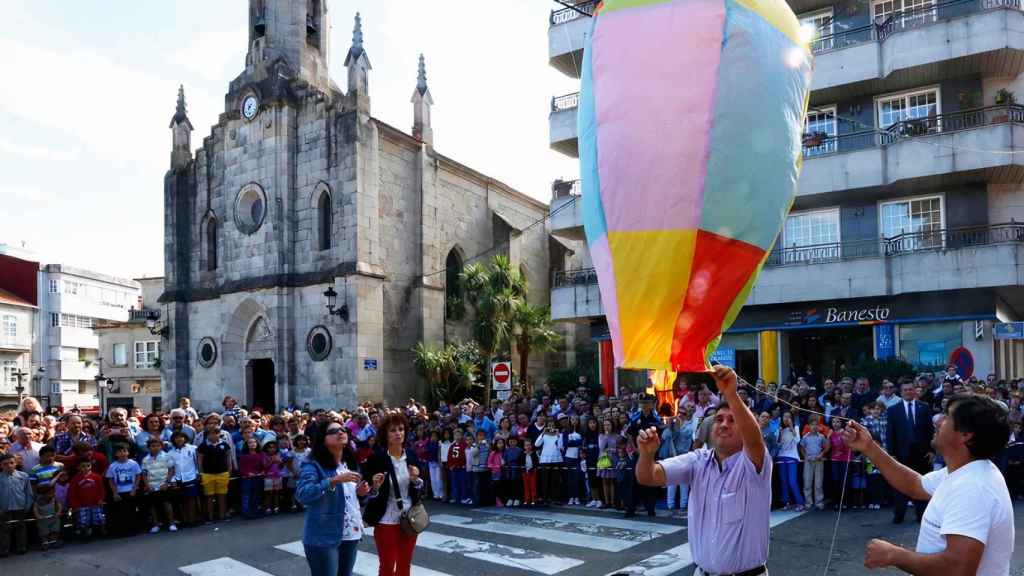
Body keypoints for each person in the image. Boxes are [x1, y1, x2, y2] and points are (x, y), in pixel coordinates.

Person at [844, 395, 1013, 575]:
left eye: (947, 416)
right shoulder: (965, 472)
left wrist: (894, 555)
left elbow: (958, 569)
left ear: (966, 435)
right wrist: (869, 447)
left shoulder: (973, 487)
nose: (937, 421)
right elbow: (915, 484)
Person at [636, 365, 772, 576]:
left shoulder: (754, 464)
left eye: (732, 420)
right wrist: (646, 455)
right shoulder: (697, 460)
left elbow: (754, 440)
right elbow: (648, 476)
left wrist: (731, 394)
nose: (724, 424)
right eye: (719, 419)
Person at [296, 420, 380, 576]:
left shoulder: (349, 463)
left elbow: (353, 500)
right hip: (323, 535)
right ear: (323, 439)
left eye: (342, 429)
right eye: (333, 431)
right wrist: (333, 481)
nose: (341, 432)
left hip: (351, 533)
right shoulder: (312, 464)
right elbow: (304, 494)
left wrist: (362, 492)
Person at [362, 412, 424, 576]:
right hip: (386, 520)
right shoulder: (376, 459)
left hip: (409, 518)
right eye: (393, 430)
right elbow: (366, 493)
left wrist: (416, 480)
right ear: (385, 434)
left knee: (404, 566)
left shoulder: (411, 455)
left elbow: (419, 488)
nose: (398, 433)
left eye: (401, 429)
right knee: (388, 566)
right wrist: (375, 487)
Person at [886, 380, 933, 524]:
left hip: (922, 455)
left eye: (910, 389)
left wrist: (931, 451)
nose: (908, 392)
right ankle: (899, 514)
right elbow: (890, 433)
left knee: (922, 484)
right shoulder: (893, 410)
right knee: (900, 485)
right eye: (905, 390)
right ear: (901, 392)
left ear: (915, 391)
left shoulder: (924, 407)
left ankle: (922, 515)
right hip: (901, 455)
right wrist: (891, 454)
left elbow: (930, 431)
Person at [140, 437, 177, 533]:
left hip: (164, 484)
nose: (155, 448)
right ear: (149, 447)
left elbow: (171, 470)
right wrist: (147, 485)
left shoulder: (166, 456)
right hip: (152, 485)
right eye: (153, 446)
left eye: (158, 446)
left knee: (167, 503)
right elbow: (144, 473)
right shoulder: (145, 459)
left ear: (161, 446)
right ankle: (156, 525)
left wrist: (166, 483)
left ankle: (172, 523)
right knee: (152, 506)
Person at [0, 452, 34, 556]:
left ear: (15, 463)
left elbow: (29, 493)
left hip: (20, 507)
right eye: (5, 464)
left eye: (11, 463)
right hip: (4, 508)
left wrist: (27, 506)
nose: (9, 465)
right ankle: (4, 549)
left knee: (21, 528)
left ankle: (21, 547)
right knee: (5, 529)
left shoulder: (23, 476)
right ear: (1, 465)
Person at [106, 443, 142, 536]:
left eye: (124, 451)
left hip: (131, 490)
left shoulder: (133, 463)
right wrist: (115, 493)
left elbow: (138, 476)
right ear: (115, 454)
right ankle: (124, 530)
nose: (122, 453)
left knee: (132, 510)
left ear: (128, 452)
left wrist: (134, 489)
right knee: (122, 511)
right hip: (120, 492)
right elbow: (111, 480)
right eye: (119, 451)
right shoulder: (113, 466)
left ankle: (134, 529)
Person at [68, 458, 106, 539]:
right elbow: (72, 494)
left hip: (95, 503)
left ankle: (102, 531)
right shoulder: (75, 480)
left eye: (88, 466)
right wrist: (75, 505)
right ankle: (86, 533)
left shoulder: (97, 477)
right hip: (82, 504)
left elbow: (101, 490)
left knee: (100, 518)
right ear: (78, 467)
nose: (86, 468)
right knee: (84, 521)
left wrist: (101, 499)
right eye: (83, 466)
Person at [799, 416, 829, 511]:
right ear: (809, 426)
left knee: (818, 483)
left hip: (819, 461)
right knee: (807, 483)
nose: (814, 426)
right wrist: (805, 456)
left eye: (816, 425)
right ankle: (808, 502)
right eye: (812, 425)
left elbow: (827, 446)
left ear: (818, 426)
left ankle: (819, 502)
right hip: (808, 461)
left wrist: (822, 454)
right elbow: (801, 447)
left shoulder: (821, 437)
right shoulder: (805, 437)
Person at [33, 483, 61, 549]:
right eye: (50, 493)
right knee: (44, 532)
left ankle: (53, 541)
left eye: (52, 493)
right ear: (44, 494)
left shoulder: (54, 499)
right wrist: (38, 516)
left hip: (53, 518)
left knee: (54, 530)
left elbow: (59, 506)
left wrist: (58, 512)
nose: (52, 494)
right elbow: (35, 509)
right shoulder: (38, 501)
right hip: (43, 519)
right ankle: (45, 543)